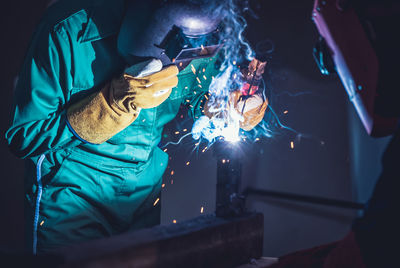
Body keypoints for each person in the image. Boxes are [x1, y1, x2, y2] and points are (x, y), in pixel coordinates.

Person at [5, 0, 267, 254]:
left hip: (143, 201)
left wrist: (223, 104)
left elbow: (196, 92)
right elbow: (24, 136)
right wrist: (108, 105)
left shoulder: (196, 25)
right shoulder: (67, 29)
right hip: (73, 202)